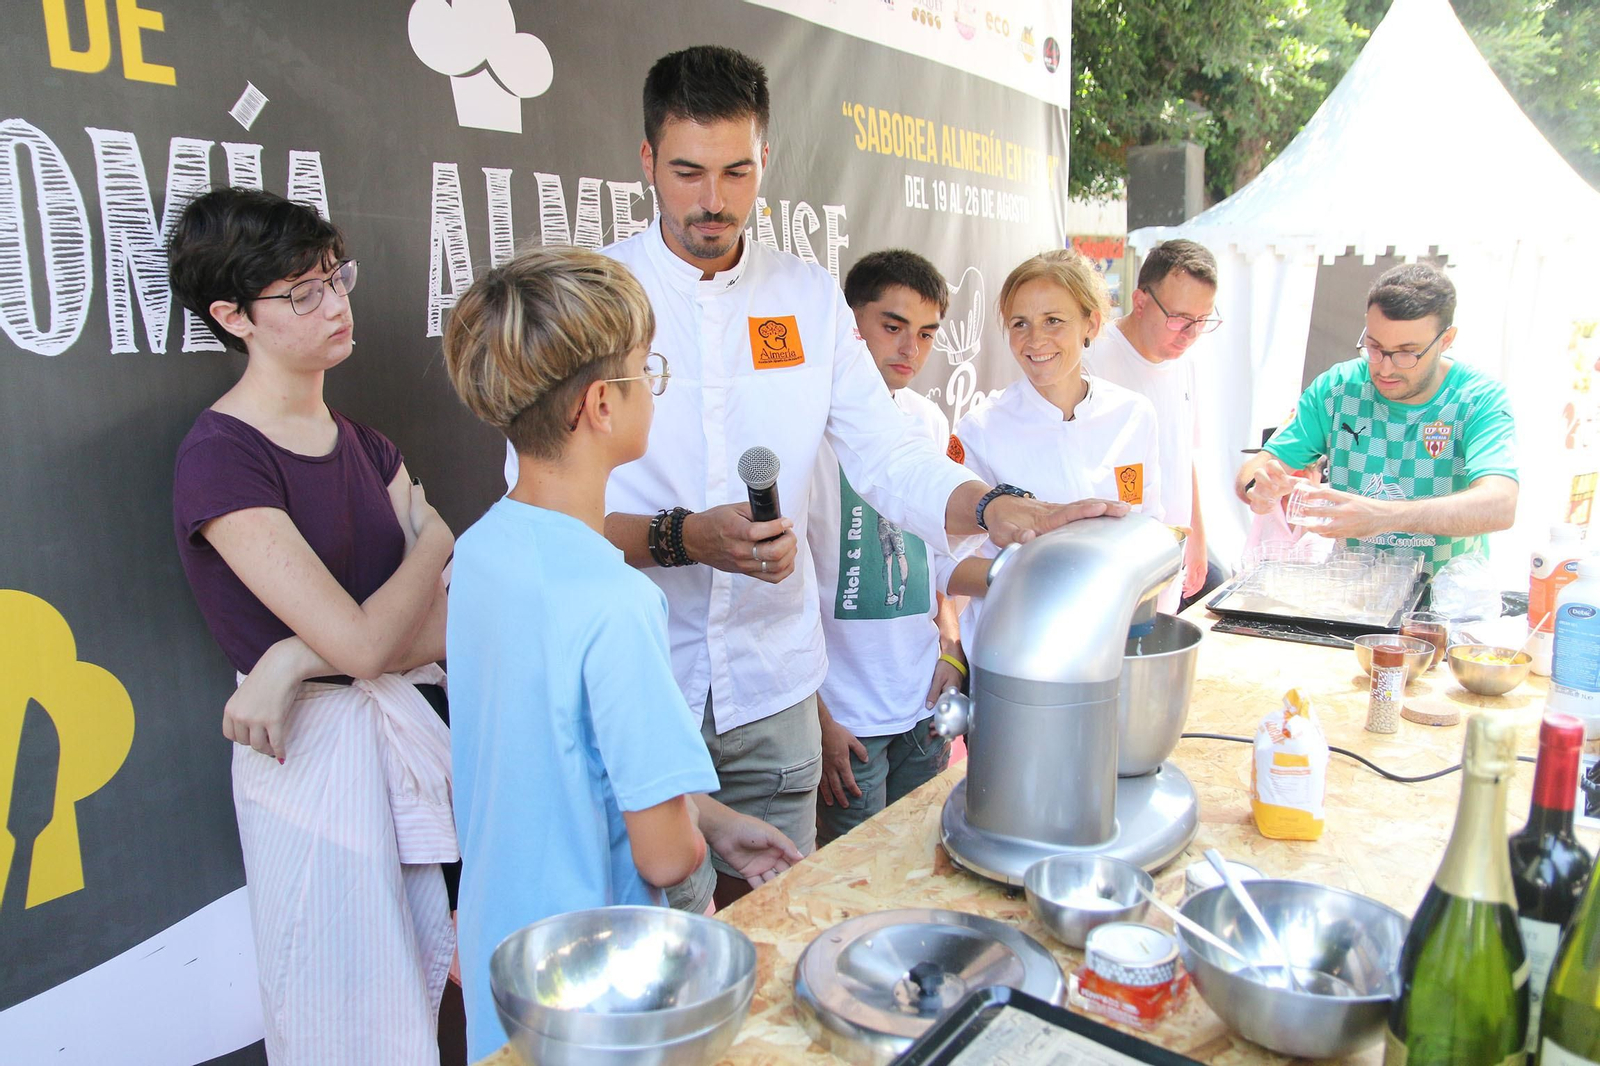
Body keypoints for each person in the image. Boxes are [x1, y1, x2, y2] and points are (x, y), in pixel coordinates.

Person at [570, 45, 1125, 912]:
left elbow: (890, 455)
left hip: (774, 686)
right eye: (686, 171)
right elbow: (546, 513)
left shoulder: (808, 298)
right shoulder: (596, 297)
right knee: (668, 949)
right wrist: (685, 536)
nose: (713, 200)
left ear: (766, 162)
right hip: (642, 679)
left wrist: (994, 508)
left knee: (780, 923)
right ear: (645, 161)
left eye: (736, 171)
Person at [443, 247, 802, 1061]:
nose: (654, 387)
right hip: (595, 996)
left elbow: (571, 759)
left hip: (508, 966)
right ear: (603, 404)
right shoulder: (613, 598)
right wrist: (693, 835)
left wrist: (715, 820)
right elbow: (663, 851)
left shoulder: (482, 551)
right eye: (649, 370)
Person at [168, 188, 455, 1065]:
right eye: (302, 294)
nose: (336, 306)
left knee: (449, 1006)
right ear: (232, 316)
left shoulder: (365, 444)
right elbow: (372, 643)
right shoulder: (222, 457)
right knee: (347, 1020)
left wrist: (294, 656)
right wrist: (434, 539)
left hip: (416, 733)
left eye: (336, 280)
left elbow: (451, 619)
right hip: (314, 770)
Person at [809, 250, 966, 843]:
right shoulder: (809, 426)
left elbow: (939, 560)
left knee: (922, 872)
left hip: (924, 711)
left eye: (926, 334)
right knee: (855, 895)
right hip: (847, 722)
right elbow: (782, 589)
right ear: (850, 325)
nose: (910, 350)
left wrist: (951, 649)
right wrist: (817, 719)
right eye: (892, 327)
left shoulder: (928, 420)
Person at [1234, 262, 1518, 573]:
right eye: (1375, 347)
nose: (1385, 368)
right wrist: (1257, 488)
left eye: (1407, 353)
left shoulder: (1477, 398)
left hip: (1443, 600)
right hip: (1352, 591)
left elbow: (1500, 505)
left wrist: (1383, 516)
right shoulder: (1338, 388)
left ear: (1446, 340)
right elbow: (1255, 470)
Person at [948, 249, 1164, 604]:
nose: (1035, 340)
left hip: (1112, 634)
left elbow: (1150, 526)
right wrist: (1033, 577)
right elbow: (948, 564)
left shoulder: (1134, 415)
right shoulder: (980, 429)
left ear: (1091, 325)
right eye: (1020, 324)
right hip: (1012, 641)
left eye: (1053, 320)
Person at [1086, 238, 1221, 610]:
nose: (1191, 334)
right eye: (1180, 319)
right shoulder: (1092, 360)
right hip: (1113, 563)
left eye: (1202, 321)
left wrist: (1198, 538)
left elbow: (1182, 456)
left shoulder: (1186, 364)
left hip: (1171, 555)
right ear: (1141, 302)